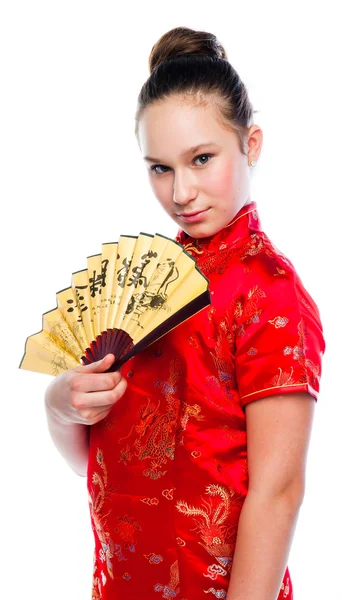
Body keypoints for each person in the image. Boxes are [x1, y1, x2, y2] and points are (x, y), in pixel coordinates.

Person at [44, 26, 326, 600]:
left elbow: (279, 490)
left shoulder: (269, 292)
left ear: (251, 144)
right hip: (120, 584)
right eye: (160, 168)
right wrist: (59, 405)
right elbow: (89, 461)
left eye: (202, 158)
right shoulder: (142, 286)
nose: (182, 192)